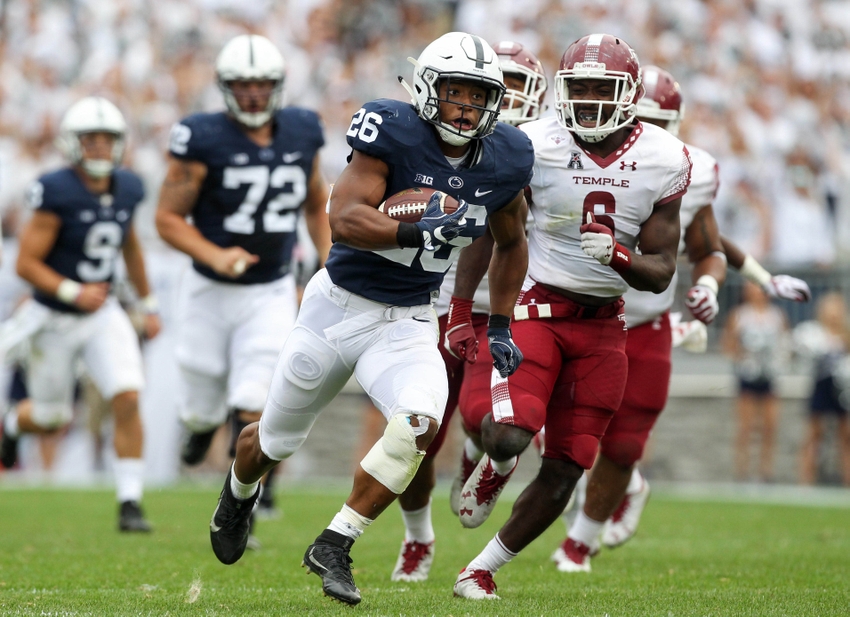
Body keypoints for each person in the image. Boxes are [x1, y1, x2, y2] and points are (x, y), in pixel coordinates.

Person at [207, 31, 532, 606]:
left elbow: (511, 241)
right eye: (456, 93)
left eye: (478, 97)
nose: (466, 108)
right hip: (337, 308)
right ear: (429, 90)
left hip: (408, 318)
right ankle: (237, 491)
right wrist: (419, 228)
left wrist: (501, 321)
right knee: (273, 441)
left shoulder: (506, 157)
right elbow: (345, 218)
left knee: (419, 424)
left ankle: (335, 542)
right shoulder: (392, 130)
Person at [452, 34, 689, 600]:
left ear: (628, 94)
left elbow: (661, 271)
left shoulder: (663, 157)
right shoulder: (530, 142)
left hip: (606, 323)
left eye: (599, 88)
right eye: (576, 88)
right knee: (509, 435)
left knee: (568, 465)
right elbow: (494, 234)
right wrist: (465, 309)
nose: (586, 99)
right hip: (538, 307)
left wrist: (622, 255)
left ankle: (479, 570)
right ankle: (494, 464)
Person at [553, 66, 813, 571]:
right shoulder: (562, 150)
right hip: (573, 313)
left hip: (644, 319)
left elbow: (706, 244)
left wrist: (722, 283)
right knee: (560, 428)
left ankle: (580, 544)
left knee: (625, 441)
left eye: (659, 121)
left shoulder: (685, 167)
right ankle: (609, 489)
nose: (646, 131)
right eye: (640, 118)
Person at [390, 40, 547, 584]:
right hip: (429, 304)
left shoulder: (541, 148)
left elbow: (509, 235)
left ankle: (480, 458)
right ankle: (416, 538)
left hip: (503, 309)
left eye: (520, 83)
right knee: (414, 436)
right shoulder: (424, 136)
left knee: (490, 420)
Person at [154, 34, 331, 485]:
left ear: (278, 85)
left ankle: (241, 501)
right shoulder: (202, 136)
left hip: (270, 287)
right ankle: (199, 428)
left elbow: (315, 202)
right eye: (242, 85)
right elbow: (168, 218)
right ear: (224, 87)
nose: (253, 94)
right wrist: (215, 254)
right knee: (200, 403)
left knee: (255, 394)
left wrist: (330, 257)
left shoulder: (302, 129)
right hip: (207, 288)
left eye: (262, 84)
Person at [0, 97, 161, 531]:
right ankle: (14, 424)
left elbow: (131, 247)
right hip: (53, 316)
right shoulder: (56, 189)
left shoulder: (128, 186)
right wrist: (73, 290)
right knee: (52, 417)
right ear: (73, 144)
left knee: (127, 393)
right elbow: (25, 264)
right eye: (90, 139)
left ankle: (130, 502)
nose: (99, 148)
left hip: (101, 313)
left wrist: (147, 304)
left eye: (107, 140)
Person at [722, 281, 788, 482]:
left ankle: (765, 471)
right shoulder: (740, 315)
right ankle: (742, 471)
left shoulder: (777, 316)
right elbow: (728, 345)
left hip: (769, 376)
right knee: (745, 427)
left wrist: (776, 362)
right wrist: (743, 357)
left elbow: (785, 344)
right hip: (747, 376)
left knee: (770, 426)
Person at [795, 292, 850, 485]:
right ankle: (805, 482)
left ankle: (847, 483)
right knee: (813, 435)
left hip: (842, 391)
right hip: (821, 386)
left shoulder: (846, 336)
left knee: (845, 437)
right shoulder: (813, 333)